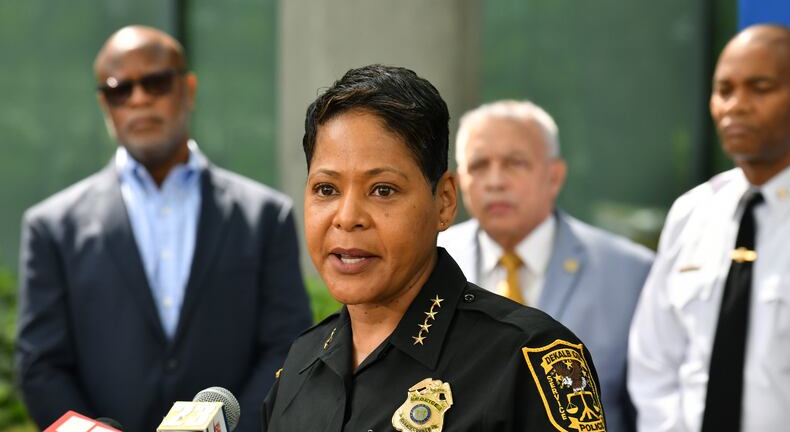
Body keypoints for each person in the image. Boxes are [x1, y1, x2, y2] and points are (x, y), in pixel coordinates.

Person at [262, 64, 608, 431]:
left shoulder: (526, 361)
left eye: (383, 190)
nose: (347, 218)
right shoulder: (302, 363)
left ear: (443, 201)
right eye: (326, 189)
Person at [15, 25, 311, 432]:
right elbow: (41, 367)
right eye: (120, 89)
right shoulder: (51, 227)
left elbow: (287, 347)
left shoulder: (265, 216)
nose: (139, 99)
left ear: (187, 89)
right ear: (106, 104)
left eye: (155, 82)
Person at [438, 100, 653, 431]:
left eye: (515, 163)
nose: (495, 181)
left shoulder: (629, 273)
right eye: (479, 165)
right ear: (458, 182)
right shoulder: (430, 262)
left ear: (554, 176)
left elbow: (650, 405)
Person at [628, 24, 790, 431]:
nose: (736, 105)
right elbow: (654, 361)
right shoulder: (693, 213)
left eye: (761, 87)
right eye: (724, 90)